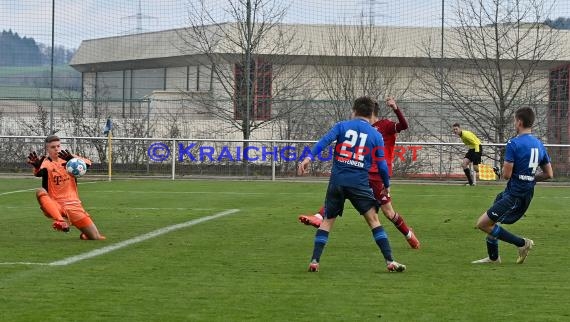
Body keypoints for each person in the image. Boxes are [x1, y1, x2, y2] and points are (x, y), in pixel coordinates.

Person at [297, 96, 406, 273]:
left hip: (337, 182)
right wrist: (387, 184)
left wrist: (308, 158)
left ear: (354, 111)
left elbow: (324, 141)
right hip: (359, 184)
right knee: (373, 220)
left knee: (327, 221)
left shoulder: (342, 126)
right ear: (371, 114)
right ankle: (390, 261)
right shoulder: (375, 135)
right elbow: (382, 165)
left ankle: (315, 261)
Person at [471, 107, 552, 264]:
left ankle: (522, 243)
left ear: (519, 122)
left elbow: (506, 175)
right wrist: (531, 179)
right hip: (523, 193)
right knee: (492, 222)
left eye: (515, 121)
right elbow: (549, 174)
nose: (515, 123)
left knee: (482, 224)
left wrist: (496, 172)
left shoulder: (513, 143)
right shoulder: (539, 144)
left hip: (515, 195)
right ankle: (493, 258)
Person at [27, 135, 106, 240]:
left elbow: (88, 164)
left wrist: (71, 159)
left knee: (96, 237)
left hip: (74, 205)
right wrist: (36, 166)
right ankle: (61, 221)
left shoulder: (69, 158)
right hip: (56, 205)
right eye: (53, 147)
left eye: (58, 146)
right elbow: (39, 173)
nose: (56, 149)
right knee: (40, 191)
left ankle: (85, 234)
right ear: (47, 149)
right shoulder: (45, 163)